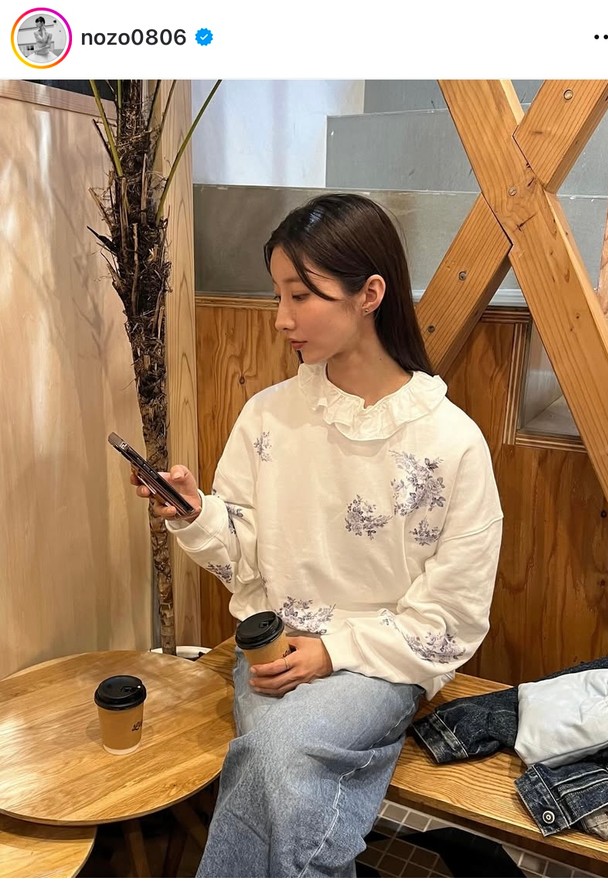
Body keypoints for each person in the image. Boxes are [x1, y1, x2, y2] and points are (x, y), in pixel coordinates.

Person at [132, 193, 503, 877]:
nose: (282, 318)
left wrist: (334, 652)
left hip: (384, 659)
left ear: (370, 294)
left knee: (278, 754)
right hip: (274, 649)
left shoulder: (451, 441)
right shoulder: (268, 417)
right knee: (281, 766)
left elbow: (453, 612)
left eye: (301, 295)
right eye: (279, 294)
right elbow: (246, 557)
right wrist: (196, 513)